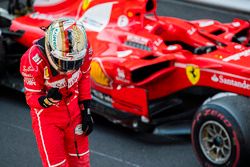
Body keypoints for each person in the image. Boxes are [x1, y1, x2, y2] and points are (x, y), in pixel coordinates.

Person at [20, 18, 94, 167]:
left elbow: (84, 76)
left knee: (82, 162)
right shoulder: (32, 59)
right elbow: (32, 96)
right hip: (48, 119)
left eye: (75, 63)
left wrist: (86, 111)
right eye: (66, 63)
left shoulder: (83, 48)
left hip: (74, 113)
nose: (71, 68)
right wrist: (46, 101)